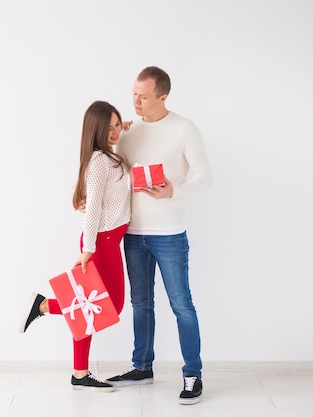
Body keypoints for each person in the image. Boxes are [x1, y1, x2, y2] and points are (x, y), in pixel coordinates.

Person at [105, 66, 212, 405]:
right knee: (140, 303)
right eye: (133, 94)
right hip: (133, 233)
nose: (135, 101)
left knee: (182, 305)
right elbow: (110, 172)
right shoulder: (127, 132)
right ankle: (141, 367)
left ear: (163, 97)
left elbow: (205, 177)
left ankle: (192, 374)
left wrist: (173, 191)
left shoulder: (184, 128)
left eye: (144, 96)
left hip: (169, 233)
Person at [19, 100, 131, 392]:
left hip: (108, 241)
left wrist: (128, 127)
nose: (116, 132)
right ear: (96, 131)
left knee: (88, 307)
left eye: (118, 125)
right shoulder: (99, 162)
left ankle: (79, 374)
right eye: (109, 128)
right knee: (107, 306)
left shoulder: (108, 156)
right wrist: (89, 249)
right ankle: (43, 305)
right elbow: (92, 206)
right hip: (101, 243)